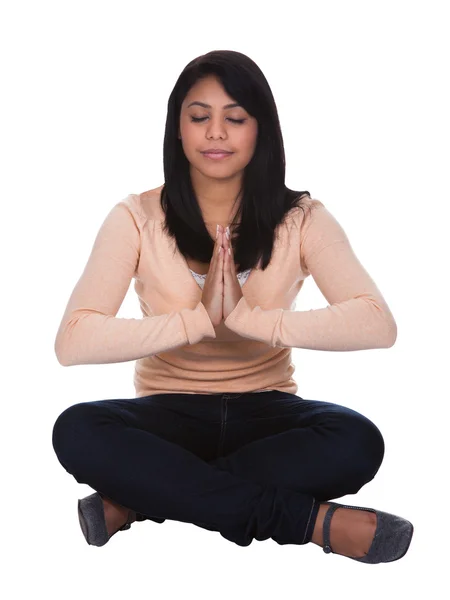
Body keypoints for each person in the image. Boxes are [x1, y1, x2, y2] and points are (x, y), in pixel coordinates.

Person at [51, 50, 413, 562]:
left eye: (235, 118)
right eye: (199, 117)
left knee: (357, 440)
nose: (215, 133)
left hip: (266, 411)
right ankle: (309, 522)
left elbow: (377, 323)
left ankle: (139, 499)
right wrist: (197, 320)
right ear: (178, 129)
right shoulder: (136, 216)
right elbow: (73, 340)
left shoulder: (302, 218)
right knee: (77, 429)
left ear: (260, 129)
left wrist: (248, 320)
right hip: (167, 411)